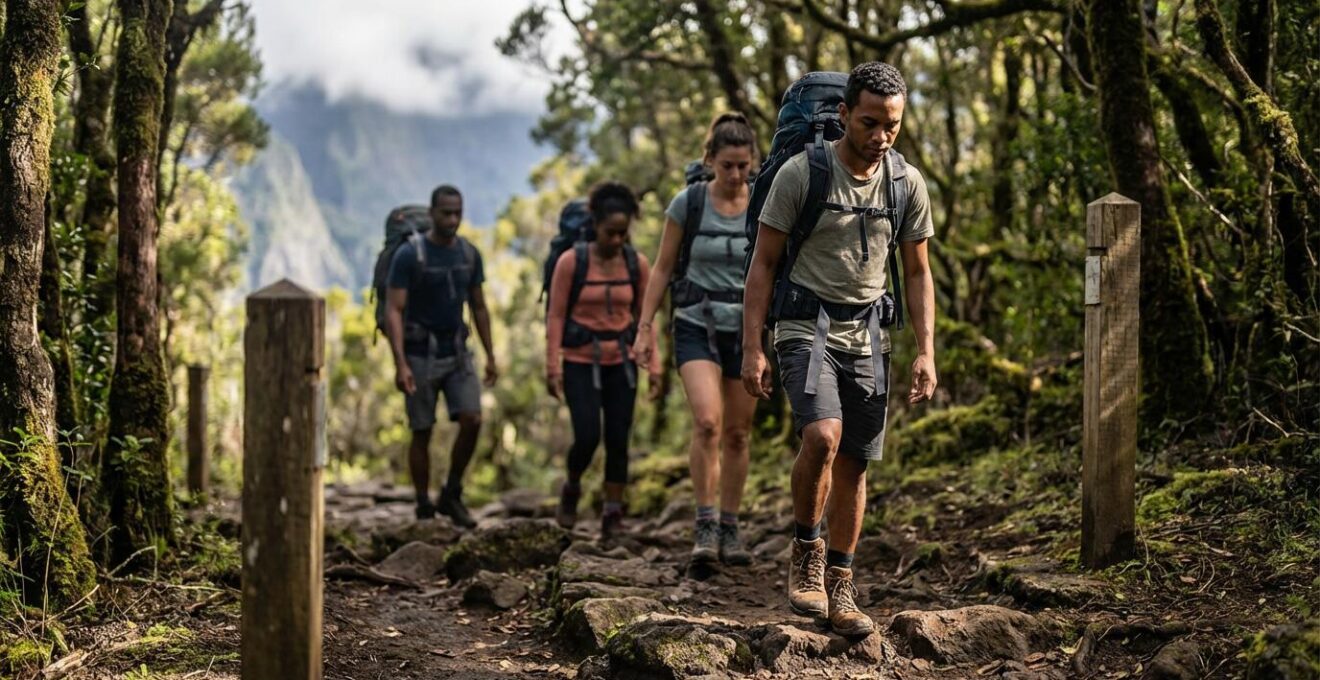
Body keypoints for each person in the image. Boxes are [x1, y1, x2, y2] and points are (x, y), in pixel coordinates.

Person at [742, 62, 938, 636]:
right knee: (822, 437)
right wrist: (753, 347)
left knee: (856, 459)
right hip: (806, 324)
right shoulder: (802, 175)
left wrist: (926, 350)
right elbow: (763, 265)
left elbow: (918, 271)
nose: (880, 136)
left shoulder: (906, 184)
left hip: (871, 334)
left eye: (892, 126)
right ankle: (806, 548)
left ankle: (843, 585)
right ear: (845, 114)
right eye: (870, 122)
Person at [633, 113, 759, 566]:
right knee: (708, 421)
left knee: (739, 433)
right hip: (694, 324)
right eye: (727, 165)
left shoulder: (763, 205)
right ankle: (704, 525)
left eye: (744, 166)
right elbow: (663, 268)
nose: (736, 175)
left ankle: (731, 525)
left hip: (747, 331)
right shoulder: (688, 203)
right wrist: (645, 327)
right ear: (709, 161)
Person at [546, 181, 662, 538]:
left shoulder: (635, 263)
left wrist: (654, 365)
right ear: (594, 225)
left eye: (623, 233)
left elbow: (645, 317)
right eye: (610, 233)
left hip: (621, 363)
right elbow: (555, 315)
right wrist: (552, 365)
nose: (617, 240)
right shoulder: (571, 262)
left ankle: (613, 514)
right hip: (580, 361)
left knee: (618, 438)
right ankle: (572, 486)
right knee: (586, 436)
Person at [386, 184, 498, 527]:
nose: (452, 220)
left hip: (458, 353)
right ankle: (423, 503)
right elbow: (393, 309)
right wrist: (401, 362)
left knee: (473, 419)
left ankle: (451, 493)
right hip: (419, 355)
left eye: (457, 213)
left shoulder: (468, 255)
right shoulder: (410, 255)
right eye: (446, 213)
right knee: (422, 429)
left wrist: (491, 354)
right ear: (432, 213)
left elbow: (478, 305)